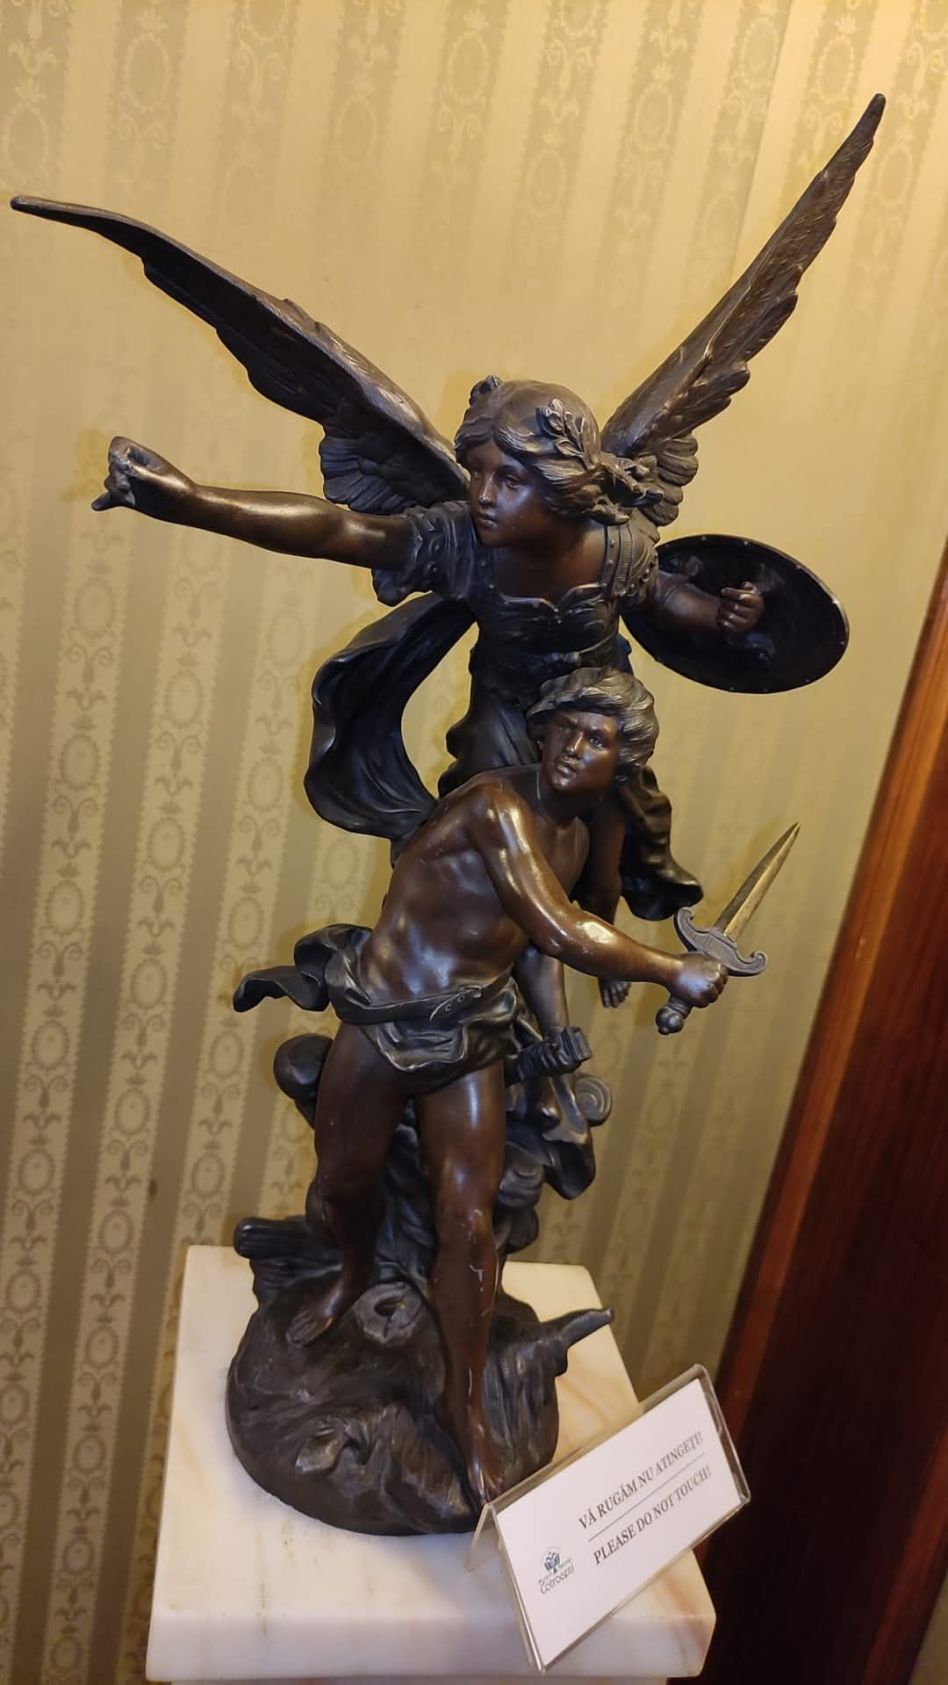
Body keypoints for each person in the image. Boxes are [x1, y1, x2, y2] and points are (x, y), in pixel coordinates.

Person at [233, 666, 727, 1507]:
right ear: (541, 730)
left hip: (469, 1032)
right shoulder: (496, 807)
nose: (573, 747)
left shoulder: (579, 836)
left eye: (596, 739)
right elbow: (558, 926)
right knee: (345, 1182)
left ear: (624, 760)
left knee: (469, 1220)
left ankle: (464, 1408)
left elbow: (531, 947)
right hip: (385, 1018)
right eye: (564, 728)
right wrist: (668, 969)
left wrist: (560, 1040)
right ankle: (352, 1270)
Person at [92, 379, 763, 950]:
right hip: (505, 714)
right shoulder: (461, 541)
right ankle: (491, 979)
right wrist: (191, 501)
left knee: (609, 849)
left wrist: (719, 616)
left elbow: (663, 595)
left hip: (601, 712)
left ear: (562, 487)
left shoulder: (617, 543)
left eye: (508, 479)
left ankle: (593, 934)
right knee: (482, 863)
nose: (483, 494)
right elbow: (341, 531)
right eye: (478, 472)